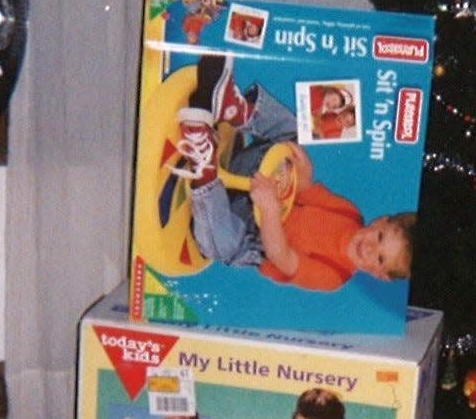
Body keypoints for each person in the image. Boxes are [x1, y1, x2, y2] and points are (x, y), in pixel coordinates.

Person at [172, 56, 414, 292]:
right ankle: (233, 107)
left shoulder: (333, 276)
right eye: (380, 237)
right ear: (380, 221)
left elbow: (281, 256)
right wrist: (303, 171)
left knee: (225, 248)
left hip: (242, 229)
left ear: (379, 275)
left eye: (380, 259)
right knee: (295, 140)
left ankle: (203, 167)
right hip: (259, 181)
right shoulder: (348, 213)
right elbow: (305, 189)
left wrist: (269, 212)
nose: (371, 248)